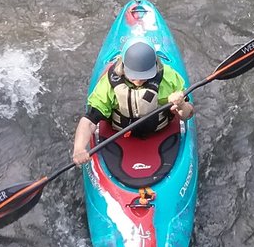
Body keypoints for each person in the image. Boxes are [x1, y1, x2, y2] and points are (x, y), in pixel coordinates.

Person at [72, 38, 194, 166]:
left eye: (144, 75)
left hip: (161, 132)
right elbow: (89, 121)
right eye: (134, 75)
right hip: (119, 135)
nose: (138, 81)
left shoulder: (169, 78)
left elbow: (188, 114)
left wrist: (181, 105)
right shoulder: (108, 85)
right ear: (123, 66)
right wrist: (79, 149)